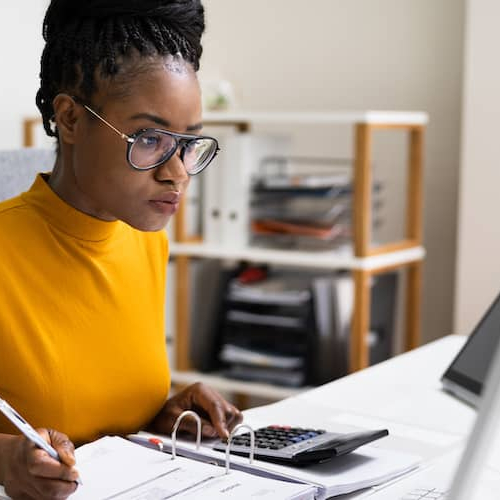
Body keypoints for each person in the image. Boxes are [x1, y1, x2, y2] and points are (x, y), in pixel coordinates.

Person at [0, 1, 243, 498]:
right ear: (69, 119)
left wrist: (165, 414)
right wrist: (4, 460)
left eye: (188, 143)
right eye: (150, 138)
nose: (176, 172)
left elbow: (98, 415)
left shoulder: (146, 241)